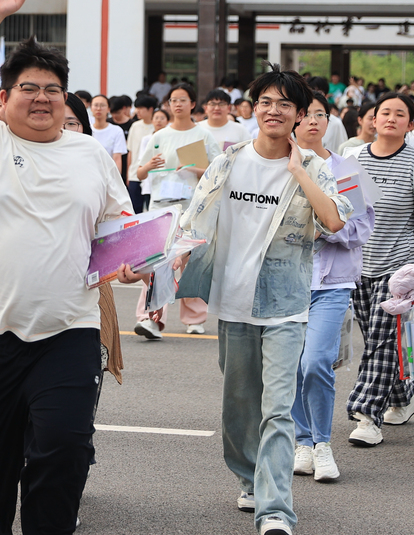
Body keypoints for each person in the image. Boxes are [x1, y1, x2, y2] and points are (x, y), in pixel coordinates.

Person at [0, 0, 132, 535]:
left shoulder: (91, 154)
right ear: (5, 96)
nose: (41, 98)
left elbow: (115, 232)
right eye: (29, 88)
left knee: (65, 451)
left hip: (68, 329)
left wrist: (135, 264)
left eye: (52, 90)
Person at [126, 67, 348, 534]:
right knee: (240, 406)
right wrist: (155, 261)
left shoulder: (314, 168)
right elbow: (192, 222)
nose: (274, 111)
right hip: (232, 302)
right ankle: (249, 478)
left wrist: (299, 171)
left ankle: (275, 509)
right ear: (254, 108)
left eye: (285, 104)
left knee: (279, 408)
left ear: (299, 114)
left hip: (285, 305)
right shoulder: (228, 160)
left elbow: (333, 221)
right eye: (266, 102)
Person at [346, 92, 414, 447]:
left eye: (399, 114)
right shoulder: (351, 158)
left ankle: (366, 416)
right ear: (372, 120)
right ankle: (405, 397)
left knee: (382, 342)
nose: (390, 118)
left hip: (399, 266)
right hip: (357, 265)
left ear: (410, 123)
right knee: (376, 340)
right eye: (384, 112)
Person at [291, 90, 373, 484]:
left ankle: (322, 444)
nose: (312, 121)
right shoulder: (279, 166)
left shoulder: (348, 169)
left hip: (332, 281)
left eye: (319, 114)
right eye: (305, 114)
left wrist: (326, 230)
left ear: (328, 121)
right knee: (289, 365)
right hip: (285, 280)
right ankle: (301, 441)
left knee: (315, 362)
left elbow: (361, 227)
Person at [134, 83, 221, 337]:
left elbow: (218, 171)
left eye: (183, 100)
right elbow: (139, 173)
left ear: (193, 104)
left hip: (193, 207)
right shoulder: (158, 136)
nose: (177, 104)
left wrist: (194, 169)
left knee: (191, 261)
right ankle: (149, 318)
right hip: (162, 206)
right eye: (173, 100)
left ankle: (194, 318)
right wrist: (149, 165)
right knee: (158, 261)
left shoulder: (203, 135)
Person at [125, 94, 157, 213]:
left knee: (151, 209)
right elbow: (131, 151)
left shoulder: (158, 126)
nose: (137, 111)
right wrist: (128, 174)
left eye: (140, 108)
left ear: (150, 109)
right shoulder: (135, 126)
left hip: (151, 174)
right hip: (134, 174)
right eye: (136, 108)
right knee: (134, 209)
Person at [89, 94, 127, 176]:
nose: (99, 109)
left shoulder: (116, 131)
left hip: (108, 175)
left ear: (108, 109)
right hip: (89, 174)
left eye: (102, 105)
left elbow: (117, 159)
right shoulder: (86, 130)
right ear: (91, 108)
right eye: (96, 105)